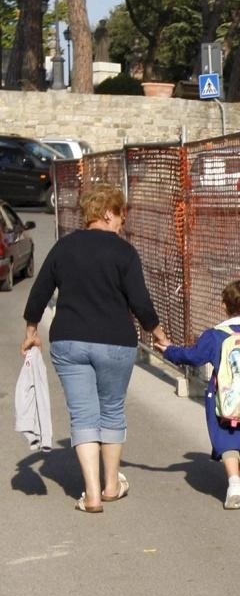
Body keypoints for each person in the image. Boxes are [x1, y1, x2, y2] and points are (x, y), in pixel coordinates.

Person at [21, 183, 168, 513]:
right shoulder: (124, 252)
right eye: (120, 215)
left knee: (83, 415)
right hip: (116, 343)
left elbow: (39, 293)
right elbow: (140, 302)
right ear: (107, 213)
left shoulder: (64, 248)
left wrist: (31, 330)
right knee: (112, 410)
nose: (122, 223)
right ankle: (112, 485)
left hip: (69, 341)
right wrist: (158, 334)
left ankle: (92, 494)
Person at [157, 280, 240, 510]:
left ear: (225, 304)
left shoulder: (217, 335)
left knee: (227, 437)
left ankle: (233, 481)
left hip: (226, 398)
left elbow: (193, 357)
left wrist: (169, 351)